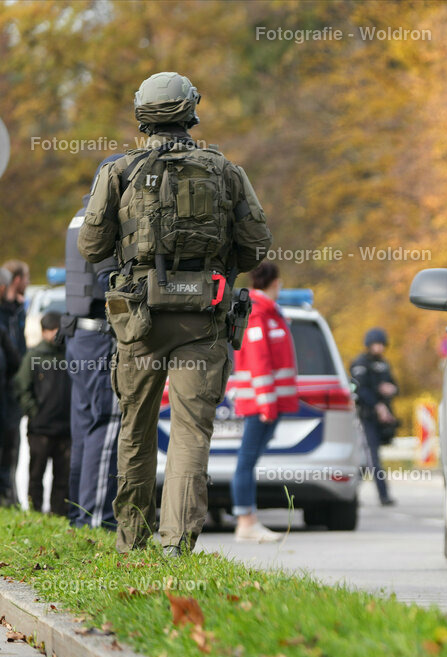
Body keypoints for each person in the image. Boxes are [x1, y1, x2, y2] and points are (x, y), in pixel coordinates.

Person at [79, 71, 272, 556]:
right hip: (203, 319)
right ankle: (175, 547)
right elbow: (255, 249)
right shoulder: (225, 170)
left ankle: (131, 542)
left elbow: (91, 245)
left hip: (138, 320)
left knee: (136, 428)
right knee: (190, 433)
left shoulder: (118, 170)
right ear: (191, 111)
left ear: (142, 115)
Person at [63, 154, 123, 529]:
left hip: (79, 336)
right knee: (106, 422)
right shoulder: (102, 220)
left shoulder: (78, 216)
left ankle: (79, 516)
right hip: (100, 338)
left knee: (84, 427)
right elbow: (109, 280)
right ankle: (97, 518)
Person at [230, 262, 296, 543]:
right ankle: (246, 522)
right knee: (246, 461)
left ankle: (248, 520)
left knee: (249, 459)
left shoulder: (270, 313)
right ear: (275, 282)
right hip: (261, 404)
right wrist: (268, 404)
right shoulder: (258, 314)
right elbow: (259, 363)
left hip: (266, 404)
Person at [14, 312, 72, 515]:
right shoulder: (34, 356)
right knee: (36, 473)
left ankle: (59, 513)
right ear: (44, 331)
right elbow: (21, 386)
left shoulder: (70, 354)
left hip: (66, 427)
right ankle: (35, 512)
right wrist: (34, 412)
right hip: (41, 428)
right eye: (53, 330)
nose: (57, 334)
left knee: (63, 476)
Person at [350, 328, 398, 506]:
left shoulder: (384, 364)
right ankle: (383, 496)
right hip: (366, 417)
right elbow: (359, 389)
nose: (379, 348)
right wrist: (377, 405)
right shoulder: (360, 364)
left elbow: (394, 385)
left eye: (381, 345)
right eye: (375, 344)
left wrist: (391, 390)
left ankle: (352, 492)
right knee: (372, 458)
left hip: (382, 417)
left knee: (367, 459)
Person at [0, 260, 26, 502]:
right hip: (5, 384)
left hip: (11, 388)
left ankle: (9, 493)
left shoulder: (15, 309)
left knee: (11, 443)